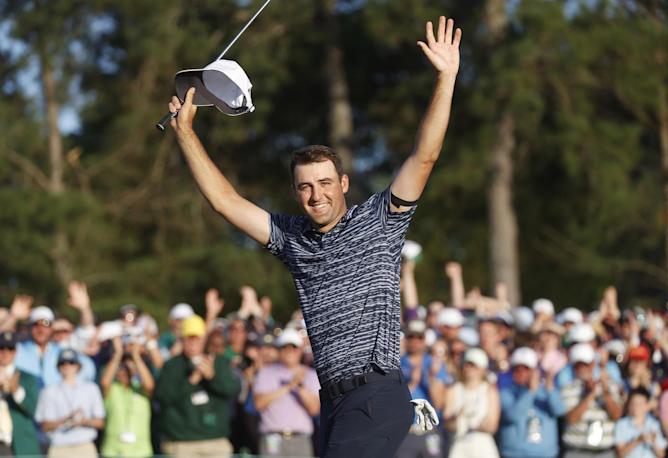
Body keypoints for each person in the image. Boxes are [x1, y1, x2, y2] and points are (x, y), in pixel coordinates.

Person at [166, 14, 461, 457]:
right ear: (295, 192)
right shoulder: (292, 239)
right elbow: (225, 202)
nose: (316, 194)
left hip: (374, 395)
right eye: (305, 186)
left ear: (343, 184)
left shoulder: (379, 221)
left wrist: (446, 77)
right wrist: (186, 133)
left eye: (325, 183)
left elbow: (425, 156)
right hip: (333, 403)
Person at [154, 314, 240, 456]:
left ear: (204, 339)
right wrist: (191, 381)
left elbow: (232, 391)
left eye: (197, 338)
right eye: (189, 338)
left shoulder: (219, 362)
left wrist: (212, 377)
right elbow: (163, 398)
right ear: (182, 340)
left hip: (215, 441)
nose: (192, 343)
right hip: (181, 443)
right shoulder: (171, 366)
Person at [253, 328, 320, 456]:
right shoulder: (266, 373)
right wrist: (288, 386)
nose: (289, 351)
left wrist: (300, 387)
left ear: (300, 350)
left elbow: (314, 409)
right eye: (285, 347)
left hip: (300, 439)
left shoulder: (310, 375)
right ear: (279, 350)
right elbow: (258, 404)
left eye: (293, 347)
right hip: (272, 439)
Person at [35, 348, 105, 458]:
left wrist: (84, 421)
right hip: (59, 447)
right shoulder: (49, 391)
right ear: (58, 367)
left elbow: (100, 422)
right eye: (63, 363)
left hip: (84, 445)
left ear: (78, 366)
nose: (67, 366)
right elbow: (44, 426)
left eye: (71, 362)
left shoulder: (91, 388)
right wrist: (65, 420)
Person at [497, 347, 566, 458]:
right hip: (514, 454)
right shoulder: (506, 392)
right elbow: (512, 416)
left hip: (545, 455)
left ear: (535, 371)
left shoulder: (546, 392)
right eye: (517, 369)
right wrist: (530, 392)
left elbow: (559, 411)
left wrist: (550, 389)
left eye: (526, 369)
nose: (521, 373)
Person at [396, 320, 448, 458]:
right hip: (407, 432)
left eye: (419, 337)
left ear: (424, 339)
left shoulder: (433, 363)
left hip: (429, 431)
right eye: (411, 336)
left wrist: (432, 377)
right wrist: (413, 382)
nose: (415, 341)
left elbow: (439, 403)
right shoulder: (397, 364)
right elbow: (394, 401)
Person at [561, 343, 623, 458]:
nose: (582, 369)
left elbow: (616, 415)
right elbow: (571, 419)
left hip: (604, 452)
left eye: (586, 365)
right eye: (578, 366)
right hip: (576, 451)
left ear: (593, 364)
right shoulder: (568, 389)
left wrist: (605, 392)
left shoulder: (609, 385)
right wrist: (590, 395)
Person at [99, 336, 155, 457]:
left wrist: (136, 356)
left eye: (129, 368)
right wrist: (118, 354)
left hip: (140, 452)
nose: (125, 371)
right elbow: (104, 382)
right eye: (122, 368)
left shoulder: (140, 389)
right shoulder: (112, 389)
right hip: (113, 451)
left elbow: (150, 385)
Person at [15, 306, 96, 387]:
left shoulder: (62, 351)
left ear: (52, 328)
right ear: (29, 327)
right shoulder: (17, 350)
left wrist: (84, 309)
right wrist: (13, 317)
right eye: (36, 324)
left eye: (46, 324)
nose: (41, 329)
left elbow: (88, 369)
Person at [443, 348, 500, 458]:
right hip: (459, 445)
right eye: (467, 364)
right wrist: (457, 418)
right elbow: (447, 422)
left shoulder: (489, 390)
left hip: (482, 447)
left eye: (473, 365)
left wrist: (470, 423)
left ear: (482, 369)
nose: (469, 368)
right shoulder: (453, 389)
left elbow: (492, 425)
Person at [614, 387, 666, 458]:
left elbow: (661, 455)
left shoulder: (655, 425)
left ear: (647, 405)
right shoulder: (621, 425)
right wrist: (638, 440)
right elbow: (620, 454)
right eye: (633, 403)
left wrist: (654, 442)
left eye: (640, 403)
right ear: (628, 405)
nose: (636, 406)